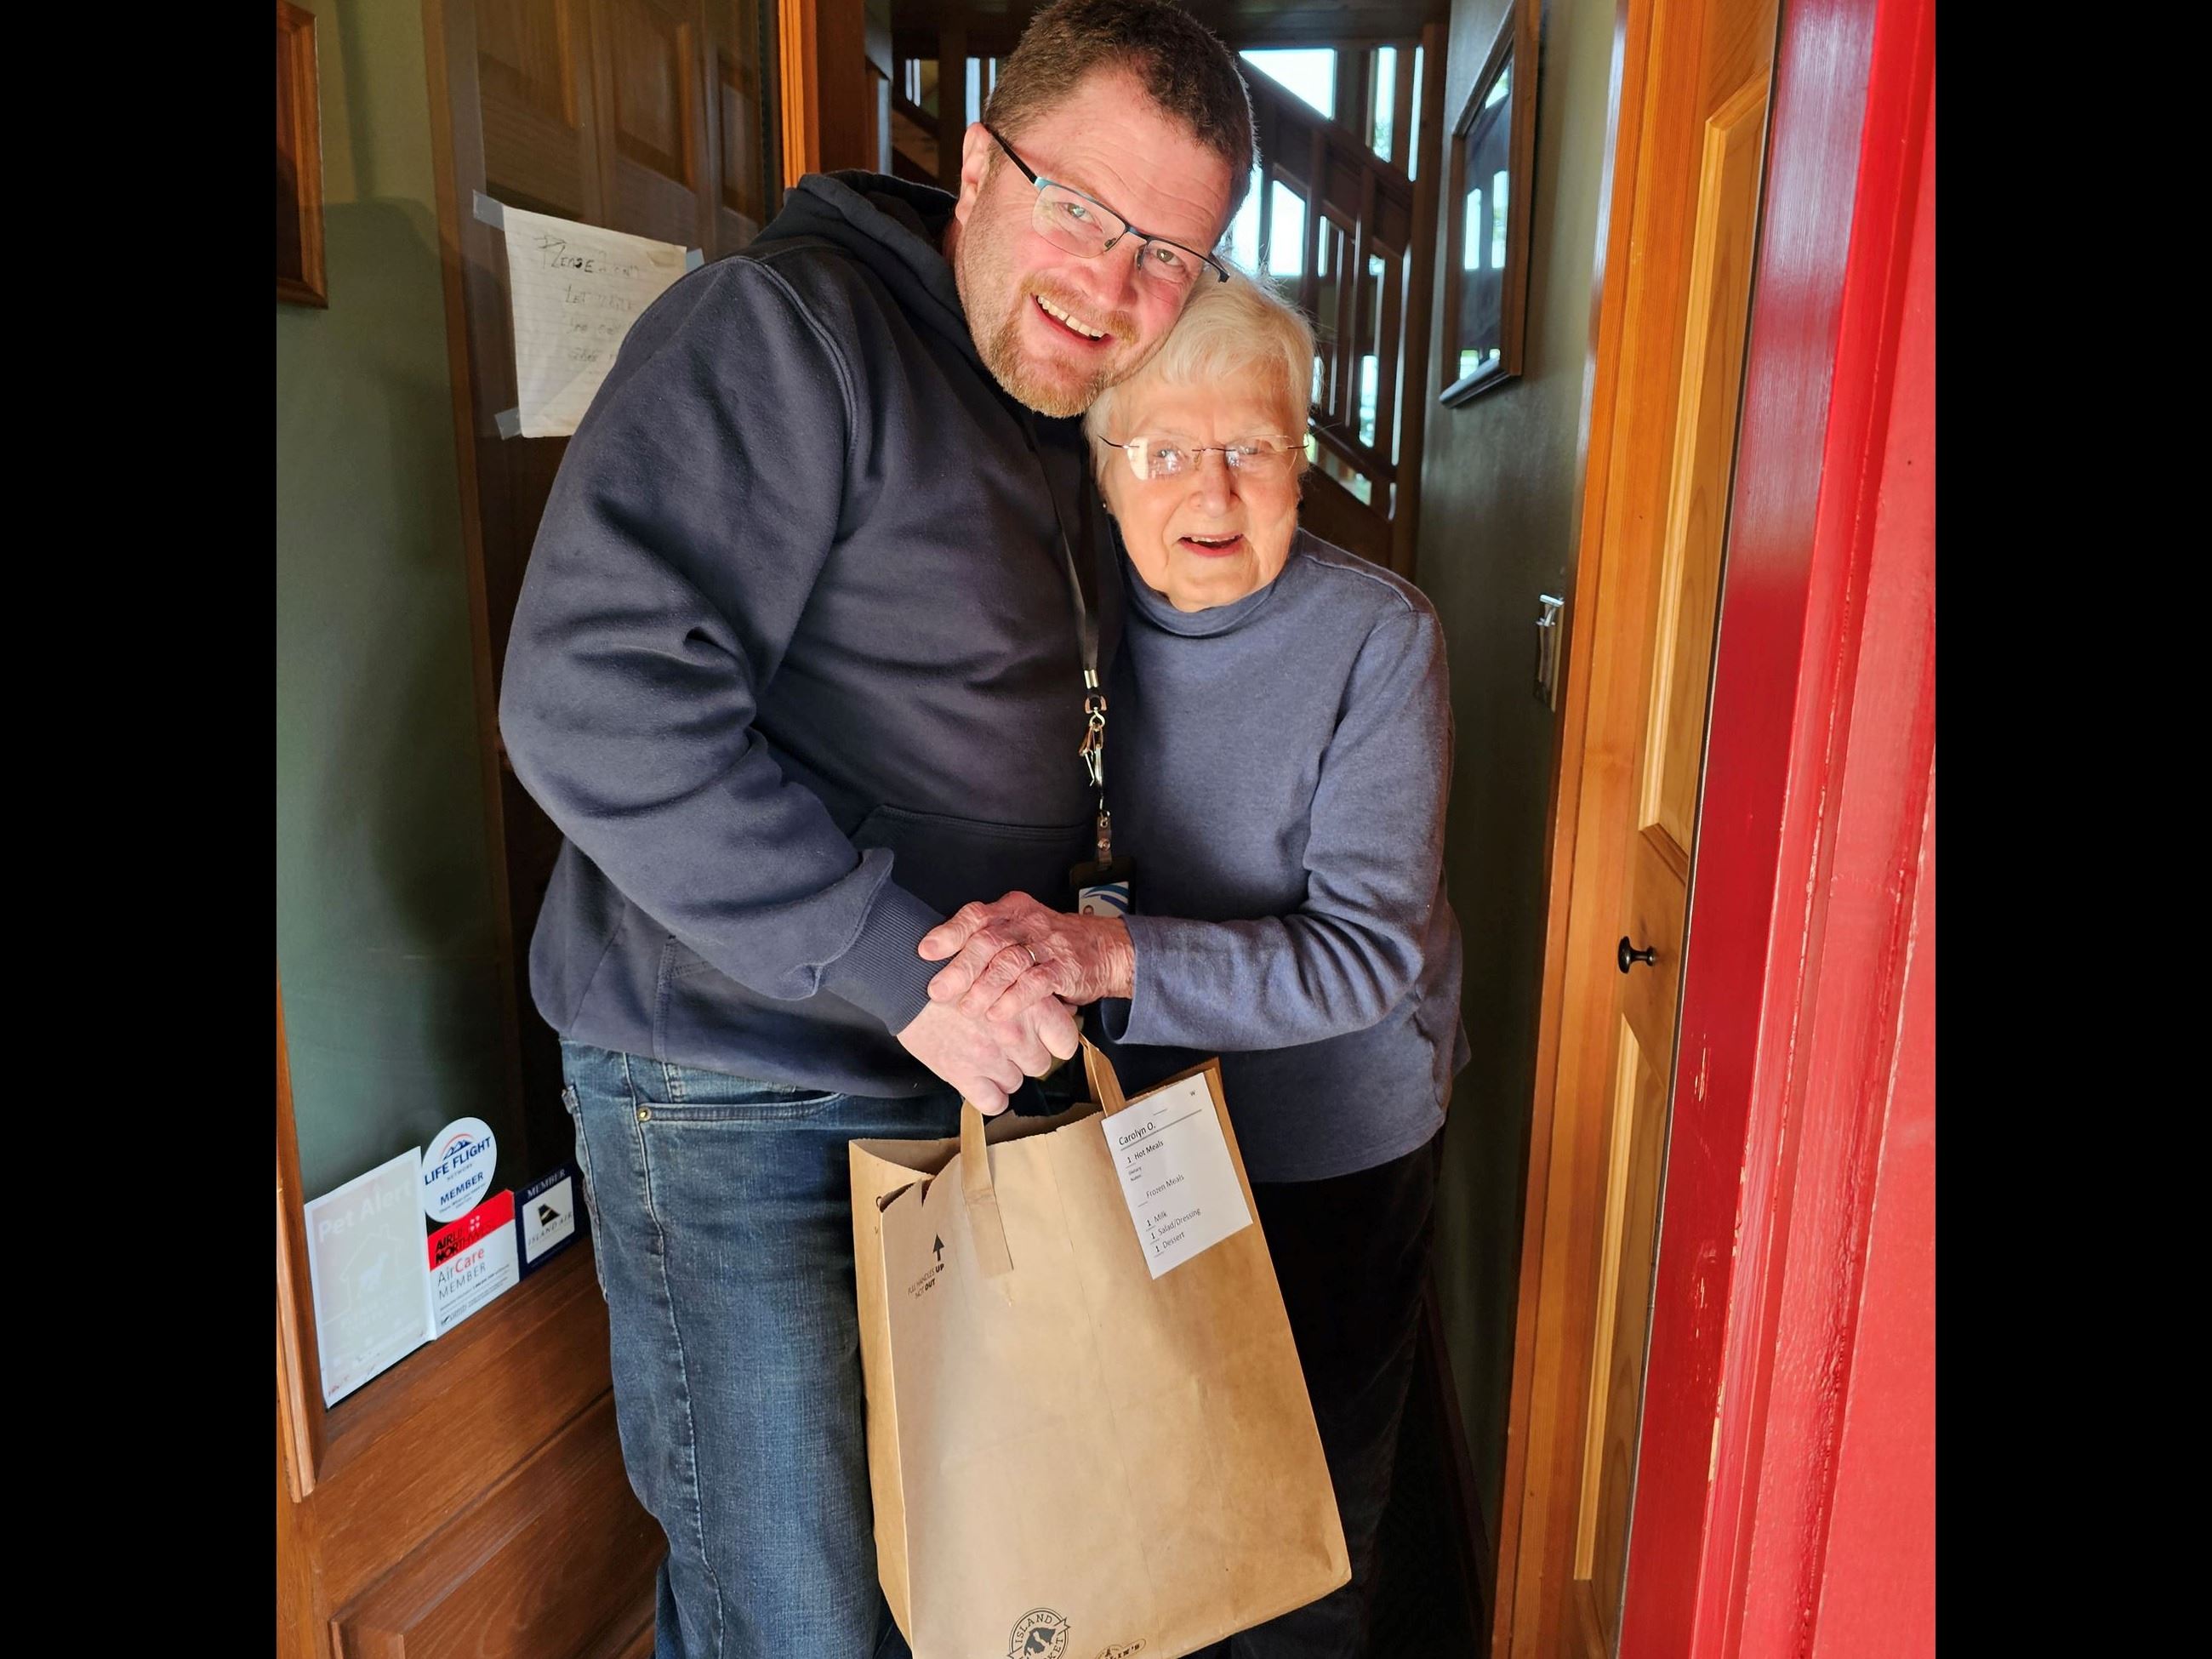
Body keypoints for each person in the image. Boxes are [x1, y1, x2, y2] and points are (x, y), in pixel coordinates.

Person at [494, 4, 1257, 1653]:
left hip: (950, 1073)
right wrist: (893, 970)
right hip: (735, 1090)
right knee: (799, 1612)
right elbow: (590, 696)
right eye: (1082, 213)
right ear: (978, 162)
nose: (1112, 290)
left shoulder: (1065, 406)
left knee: (957, 1582)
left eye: (1169, 258)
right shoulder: (780, 332)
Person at [919, 269, 1470, 1659]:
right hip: (1140, 1125)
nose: (1211, 490)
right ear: (1103, 472)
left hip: (1332, 1139)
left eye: (1255, 446)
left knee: (1307, 1524)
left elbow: (1364, 960)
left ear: (1305, 457)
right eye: (1163, 449)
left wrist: (1103, 950)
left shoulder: (1380, 639)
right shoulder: (1057, 616)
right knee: (1154, 1482)